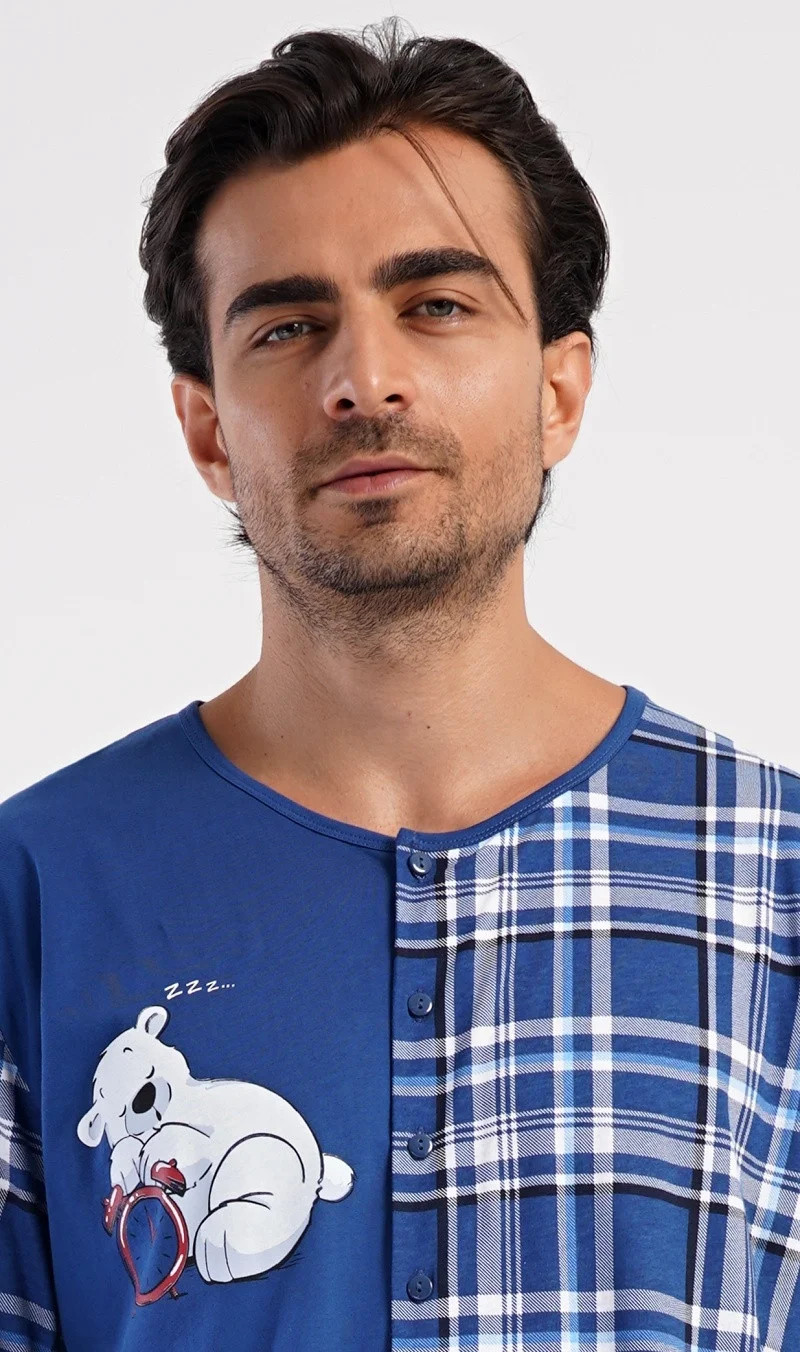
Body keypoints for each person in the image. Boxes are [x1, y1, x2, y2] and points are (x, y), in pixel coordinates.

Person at [1, 16, 799, 1352]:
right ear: (205, 426)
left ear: (559, 391)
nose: (363, 380)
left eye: (436, 305)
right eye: (288, 325)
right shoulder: (37, 893)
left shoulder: (774, 875)